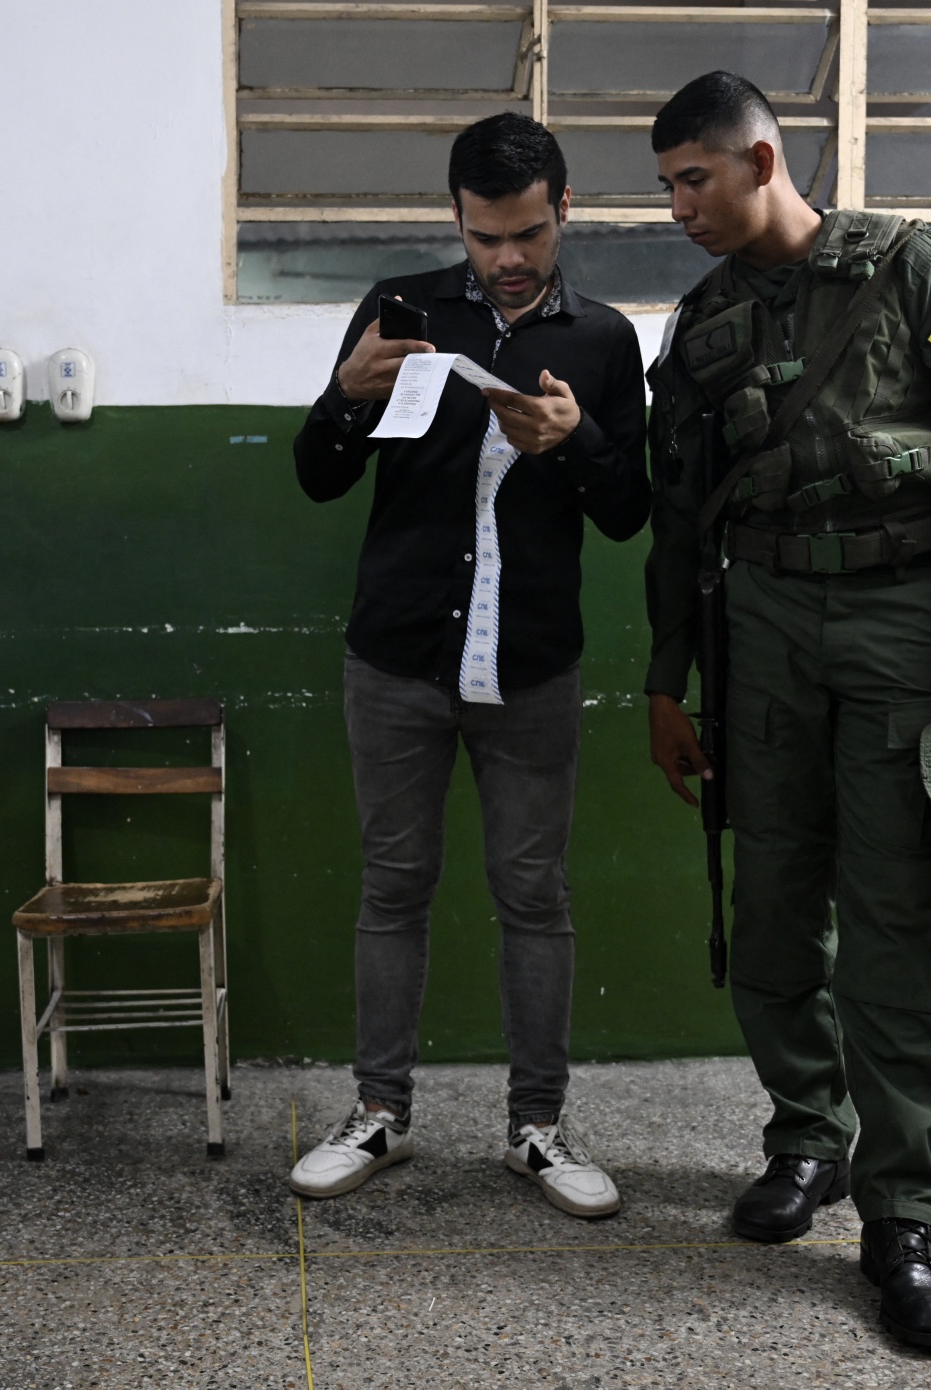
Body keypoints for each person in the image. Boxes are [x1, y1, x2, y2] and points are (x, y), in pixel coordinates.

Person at [642, 73, 931, 1350]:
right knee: (768, 908)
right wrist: (665, 679)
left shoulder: (909, 271)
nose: (675, 208)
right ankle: (805, 1137)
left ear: (760, 159)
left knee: (886, 917)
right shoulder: (701, 325)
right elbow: (672, 517)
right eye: (663, 186)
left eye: (690, 180)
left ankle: (903, 1214)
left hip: (896, 628)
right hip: (756, 634)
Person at [287, 113, 651, 1218]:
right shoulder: (400, 311)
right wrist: (345, 397)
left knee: (532, 895)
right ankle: (378, 1114)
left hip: (531, 665)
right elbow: (314, 479)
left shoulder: (601, 339)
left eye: (530, 234)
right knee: (392, 886)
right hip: (394, 656)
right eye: (488, 236)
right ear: (453, 219)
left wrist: (578, 441)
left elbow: (631, 513)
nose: (508, 259)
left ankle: (535, 1130)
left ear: (564, 212)